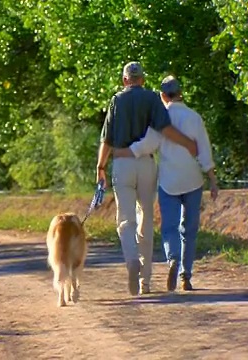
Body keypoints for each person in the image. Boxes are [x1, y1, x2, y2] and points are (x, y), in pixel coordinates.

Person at [96, 62, 198, 296]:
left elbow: (107, 139)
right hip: (146, 164)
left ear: (124, 80)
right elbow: (166, 130)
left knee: (126, 219)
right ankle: (146, 283)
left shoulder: (116, 101)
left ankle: (132, 260)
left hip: (122, 163)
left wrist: (101, 167)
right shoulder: (153, 99)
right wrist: (188, 143)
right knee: (147, 217)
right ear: (142, 79)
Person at [114, 75, 219, 291]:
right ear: (180, 93)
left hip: (169, 182)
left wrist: (125, 152)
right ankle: (185, 276)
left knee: (169, 228)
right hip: (193, 180)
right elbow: (204, 148)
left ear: (162, 96)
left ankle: (172, 258)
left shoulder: (160, 117)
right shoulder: (194, 117)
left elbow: (148, 145)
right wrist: (212, 177)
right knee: (189, 229)